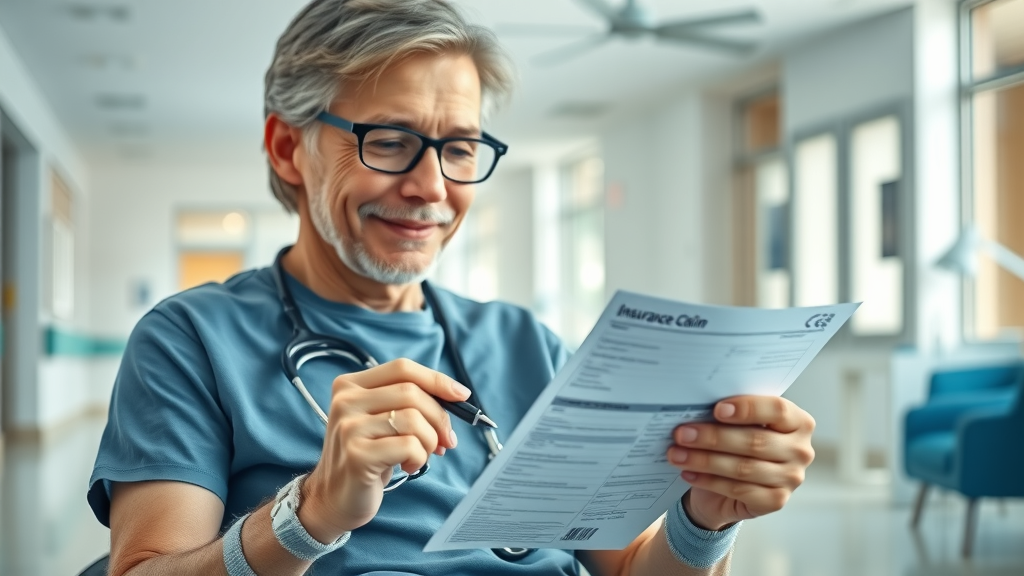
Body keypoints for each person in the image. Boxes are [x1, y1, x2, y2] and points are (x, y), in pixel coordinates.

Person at [87, 1, 816, 575]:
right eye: (391, 141)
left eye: (459, 147)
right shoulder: (190, 340)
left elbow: (627, 567)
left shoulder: (525, 344)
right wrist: (306, 517)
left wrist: (706, 519)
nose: (432, 187)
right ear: (287, 149)